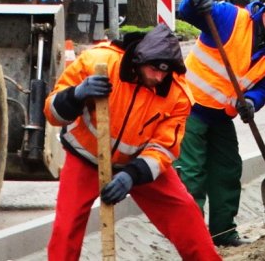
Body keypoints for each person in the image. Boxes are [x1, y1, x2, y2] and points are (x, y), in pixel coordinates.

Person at [44, 25, 220, 261]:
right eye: (154, 69)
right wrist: (76, 94)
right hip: (85, 157)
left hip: (138, 164)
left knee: (184, 211)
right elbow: (52, 114)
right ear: (139, 59)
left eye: (165, 72)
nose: (158, 77)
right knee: (66, 229)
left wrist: (132, 175)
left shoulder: (178, 95)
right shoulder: (99, 61)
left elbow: (164, 148)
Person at [175, 0, 265, 247]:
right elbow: (188, 12)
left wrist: (251, 102)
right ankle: (194, 237)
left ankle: (223, 233)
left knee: (228, 168)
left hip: (221, 115)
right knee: (192, 173)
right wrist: (193, 1)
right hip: (191, 104)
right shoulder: (230, 18)